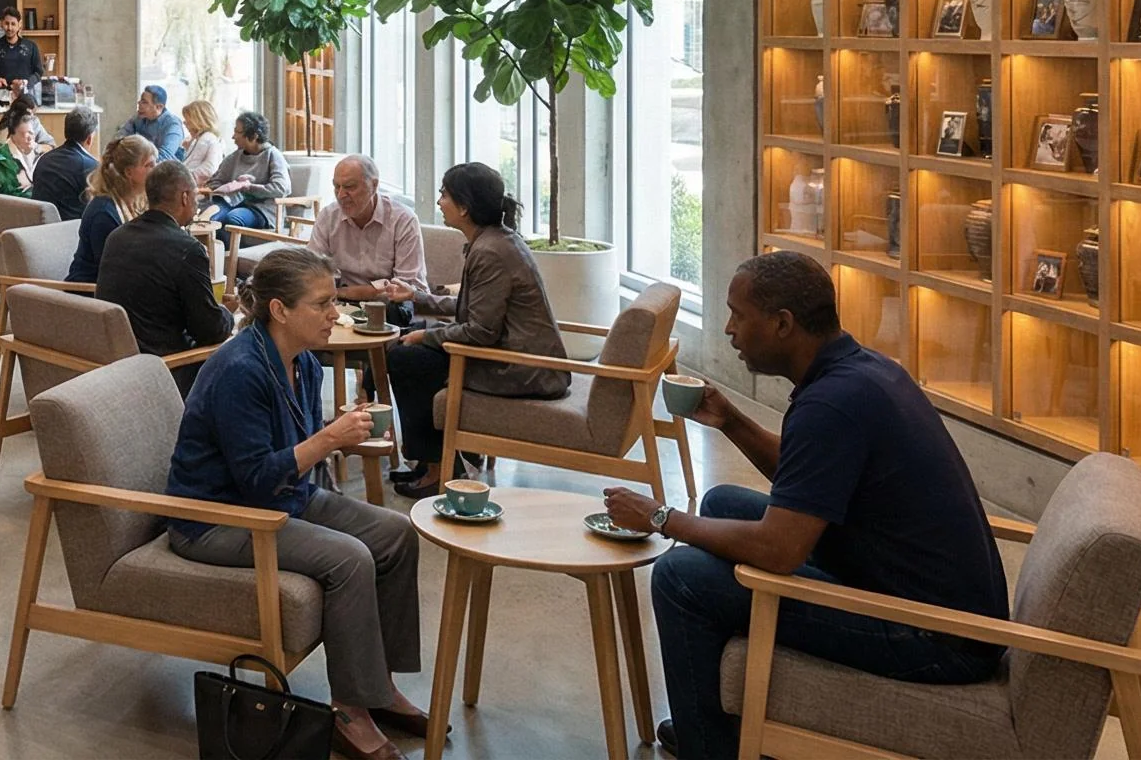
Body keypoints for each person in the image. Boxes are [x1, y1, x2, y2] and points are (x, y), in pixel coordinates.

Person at [604, 253, 1008, 760]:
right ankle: (722, 723)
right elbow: (812, 477)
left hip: (935, 639)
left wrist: (662, 518)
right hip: (916, 596)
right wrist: (733, 422)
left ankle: (711, 749)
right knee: (724, 500)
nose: (728, 329)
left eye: (738, 315)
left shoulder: (831, 406)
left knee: (680, 575)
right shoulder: (861, 372)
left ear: (782, 325)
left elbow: (780, 549)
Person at [166, 250, 427, 760]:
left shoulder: (303, 362)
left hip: (285, 499)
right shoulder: (241, 370)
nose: (336, 313)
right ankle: (350, 709)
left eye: (335, 300)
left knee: (397, 534)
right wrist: (330, 438)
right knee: (350, 558)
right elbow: (259, 479)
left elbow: (296, 456)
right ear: (280, 310)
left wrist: (342, 436)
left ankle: (379, 687)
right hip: (217, 517)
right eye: (324, 303)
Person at [382, 163, 567, 499]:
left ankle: (438, 468)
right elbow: (475, 308)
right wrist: (417, 297)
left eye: (444, 195)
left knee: (406, 359)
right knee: (405, 341)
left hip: (518, 369)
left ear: (464, 207)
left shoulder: (490, 252)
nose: (439, 202)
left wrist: (426, 337)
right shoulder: (497, 240)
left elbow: (480, 330)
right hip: (516, 355)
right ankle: (435, 459)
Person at [94, 161, 236, 391]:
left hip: (117, 360)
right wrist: (227, 313)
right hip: (166, 369)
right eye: (196, 197)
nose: (197, 203)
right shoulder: (187, 249)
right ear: (184, 197)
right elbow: (210, 331)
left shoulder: (118, 236)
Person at [311, 155, 428, 313]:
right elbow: (312, 269)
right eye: (336, 187)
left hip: (389, 305)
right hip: (341, 302)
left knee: (395, 307)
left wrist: (345, 293)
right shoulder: (328, 216)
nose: (341, 195)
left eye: (350, 187)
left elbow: (406, 287)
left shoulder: (402, 219)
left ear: (374, 185)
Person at [67, 134, 157, 284]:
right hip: (90, 296)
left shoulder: (134, 203)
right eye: (149, 165)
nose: (155, 170)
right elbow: (112, 271)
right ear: (129, 172)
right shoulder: (103, 214)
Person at [202, 110, 290, 232]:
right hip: (233, 204)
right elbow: (213, 182)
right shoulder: (234, 157)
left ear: (254, 136)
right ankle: (215, 250)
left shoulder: (273, 156)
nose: (233, 136)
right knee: (209, 217)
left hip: (262, 209)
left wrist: (248, 187)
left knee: (233, 218)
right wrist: (231, 187)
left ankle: (231, 251)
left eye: (237, 132)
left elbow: (281, 188)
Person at [26, 105, 100, 221]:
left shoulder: (44, 159)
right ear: (89, 138)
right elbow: (98, 209)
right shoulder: (91, 167)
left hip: (38, 230)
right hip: (70, 232)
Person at [119, 84, 186, 160]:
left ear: (159, 107)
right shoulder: (139, 117)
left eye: (144, 102)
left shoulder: (173, 124)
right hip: (144, 165)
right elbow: (120, 138)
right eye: (140, 100)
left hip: (167, 169)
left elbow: (165, 156)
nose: (139, 103)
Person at [0, 87, 51, 170]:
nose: (33, 118)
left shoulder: (34, 122)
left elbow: (51, 146)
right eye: (31, 115)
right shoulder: (3, 132)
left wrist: (36, 147)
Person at [0, 5, 44, 85]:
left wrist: (25, 83)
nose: (9, 28)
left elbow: (38, 72)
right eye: (7, 23)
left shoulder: (31, 47)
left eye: (13, 24)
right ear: (2, 23)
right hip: (2, 94)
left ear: (19, 24)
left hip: (26, 94)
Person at [179, 98, 231, 186]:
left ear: (199, 120)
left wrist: (184, 177)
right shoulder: (198, 139)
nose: (184, 123)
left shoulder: (209, 139)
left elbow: (210, 168)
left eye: (187, 120)